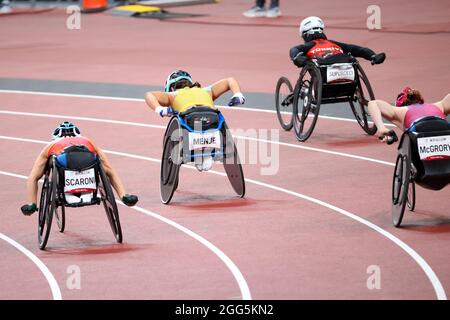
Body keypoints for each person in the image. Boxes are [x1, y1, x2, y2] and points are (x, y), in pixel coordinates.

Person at [20, 122, 138, 215]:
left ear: (55, 136)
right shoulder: (87, 140)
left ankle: (31, 204)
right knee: (109, 171)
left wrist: (32, 203)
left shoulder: (50, 145)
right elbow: (108, 167)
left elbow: (33, 178)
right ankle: (124, 196)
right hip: (88, 160)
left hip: (64, 161)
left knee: (33, 177)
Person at [144, 70, 246, 171]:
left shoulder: (172, 95)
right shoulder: (206, 91)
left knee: (185, 122)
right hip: (212, 120)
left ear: (170, 87)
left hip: (191, 121)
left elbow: (148, 95)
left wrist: (160, 109)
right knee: (206, 121)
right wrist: (238, 94)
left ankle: (200, 154)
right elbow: (230, 80)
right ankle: (206, 153)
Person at [289, 16, 386, 68]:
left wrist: (296, 57)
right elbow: (358, 49)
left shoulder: (307, 47)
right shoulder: (335, 44)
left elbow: (294, 49)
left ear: (305, 35)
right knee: (351, 55)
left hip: (323, 72)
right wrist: (372, 55)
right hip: (345, 68)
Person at [368, 88, 450, 144]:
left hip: (419, 130)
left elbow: (373, 103)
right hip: (444, 127)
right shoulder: (438, 106)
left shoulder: (401, 111)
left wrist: (381, 128)